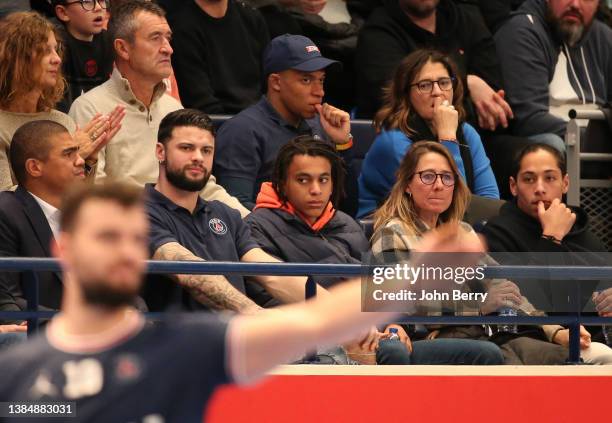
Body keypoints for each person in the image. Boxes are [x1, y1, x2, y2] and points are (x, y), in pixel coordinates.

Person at [0, 181, 484, 422]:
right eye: (107, 236)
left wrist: (415, 278)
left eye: (134, 238)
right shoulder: (15, 371)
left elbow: (316, 320)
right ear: (62, 250)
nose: (125, 250)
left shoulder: (180, 347)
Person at [68, 0, 248, 216]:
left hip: (181, 225)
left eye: (168, 39)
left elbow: (203, 186)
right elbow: (94, 194)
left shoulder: (173, 109)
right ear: (123, 48)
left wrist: (251, 220)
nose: (168, 49)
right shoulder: (90, 107)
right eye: (155, 38)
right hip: (129, 230)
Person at [146, 109, 333, 313]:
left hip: (238, 339)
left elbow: (274, 275)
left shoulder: (225, 214)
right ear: (160, 152)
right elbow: (189, 272)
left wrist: (339, 314)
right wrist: (255, 315)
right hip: (180, 340)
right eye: (186, 148)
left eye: (206, 150)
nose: (198, 157)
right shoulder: (137, 212)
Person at [369, 140, 504, 364]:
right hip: (414, 339)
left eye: (446, 177)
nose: (439, 185)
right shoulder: (393, 233)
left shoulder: (463, 231)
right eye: (428, 176)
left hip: (471, 331)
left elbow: (502, 284)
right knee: (488, 354)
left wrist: (554, 329)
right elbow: (404, 303)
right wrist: (478, 308)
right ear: (407, 185)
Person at [482, 142, 612, 364]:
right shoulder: (497, 233)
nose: (540, 188)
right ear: (513, 186)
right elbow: (523, 301)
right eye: (529, 179)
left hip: (593, 338)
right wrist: (551, 237)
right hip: (536, 340)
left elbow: (603, 292)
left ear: (565, 183)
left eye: (550, 178)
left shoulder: (586, 234)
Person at [214, 34, 353, 209]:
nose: (320, 92)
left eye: (321, 80)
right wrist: (297, 226)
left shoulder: (321, 126)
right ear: (276, 82)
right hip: (266, 234)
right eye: (306, 80)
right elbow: (234, 209)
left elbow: (345, 207)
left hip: (319, 231)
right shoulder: (242, 131)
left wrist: (343, 143)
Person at [357, 49, 499, 218]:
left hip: (449, 229)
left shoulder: (467, 133)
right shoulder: (394, 141)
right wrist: (447, 137)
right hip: (393, 229)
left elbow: (490, 204)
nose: (438, 92)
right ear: (406, 94)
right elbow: (446, 205)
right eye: (425, 85)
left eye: (444, 82)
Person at [0, 11, 123, 191]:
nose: (57, 59)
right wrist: (70, 158)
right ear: (17, 58)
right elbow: (5, 203)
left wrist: (88, 161)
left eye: (56, 49)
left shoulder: (61, 121)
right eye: (44, 51)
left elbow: (79, 198)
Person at [244, 135, 368, 306]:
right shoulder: (256, 228)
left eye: (323, 180)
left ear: (333, 184)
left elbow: (376, 293)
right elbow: (266, 300)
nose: (316, 190)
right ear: (282, 184)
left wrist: (394, 324)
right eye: (303, 180)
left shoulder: (348, 224)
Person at [354, 0, 513, 132]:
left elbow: (493, 97)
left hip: (477, 132)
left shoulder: (466, 18)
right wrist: (467, 83)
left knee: (529, 156)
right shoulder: (377, 33)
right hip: (411, 139)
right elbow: (402, 105)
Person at [0, 121, 86, 342]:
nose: (81, 161)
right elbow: (8, 299)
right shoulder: (6, 212)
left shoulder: (86, 214)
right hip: (42, 340)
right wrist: (76, 323)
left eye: (78, 151)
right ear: (35, 167)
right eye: (68, 154)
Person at [494, 0, 612, 148]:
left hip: (596, 143)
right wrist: (599, 142)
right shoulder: (522, 31)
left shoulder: (604, 37)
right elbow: (529, 120)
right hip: (551, 145)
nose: (575, 4)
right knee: (552, 144)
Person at [169, 0, 270, 114]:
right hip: (218, 122)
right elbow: (201, 102)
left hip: (262, 118)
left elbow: (270, 83)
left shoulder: (252, 17)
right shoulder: (182, 26)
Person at [51, 0, 114, 112]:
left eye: (102, 1)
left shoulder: (109, 41)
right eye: (87, 2)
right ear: (63, 13)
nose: (98, 7)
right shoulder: (54, 45)